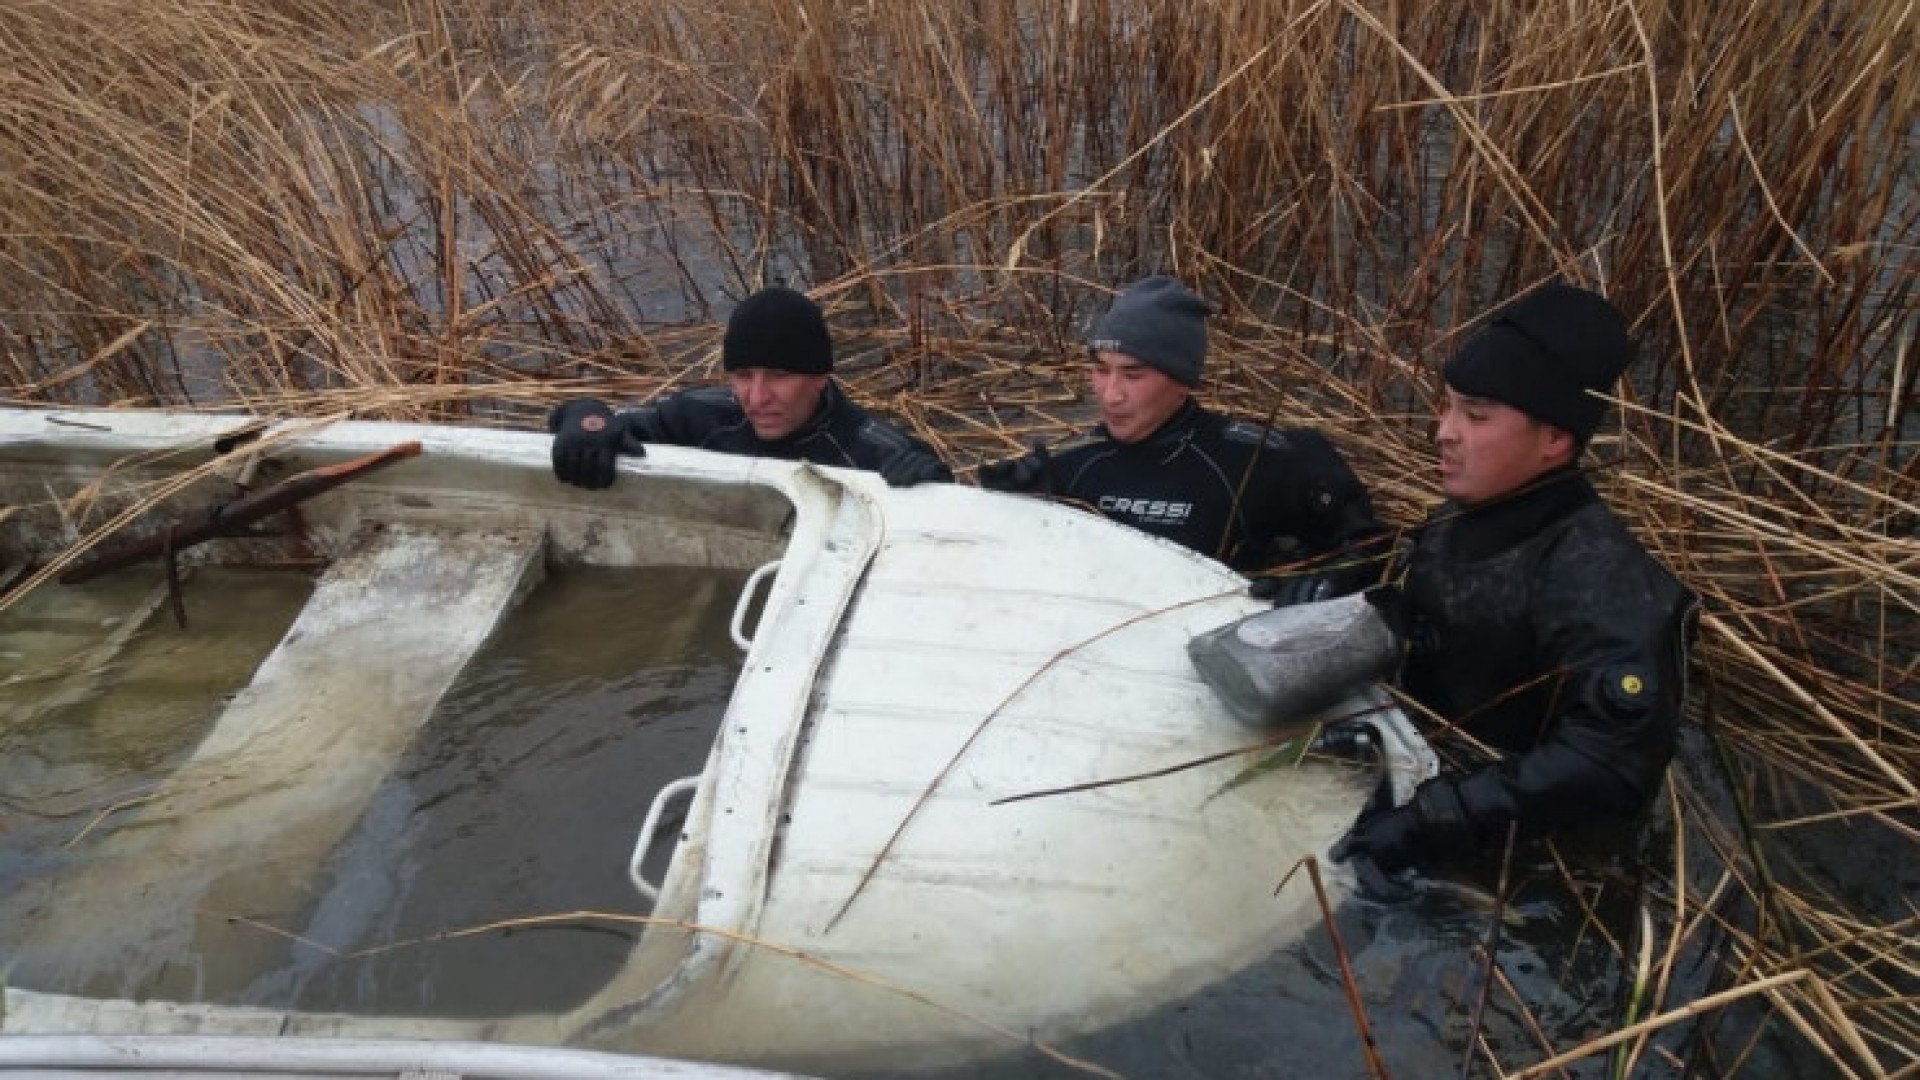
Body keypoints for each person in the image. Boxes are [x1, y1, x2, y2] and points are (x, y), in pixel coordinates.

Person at [1331, 283, 1698, 880]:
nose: (1443, 431)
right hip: (1422, 763)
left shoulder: (1604, 577)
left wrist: (1443, 818)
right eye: (1446, 406)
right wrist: (1353, 602)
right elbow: (1437, 622)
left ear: (1555, 439)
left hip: (1524, 859)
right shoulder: (1457, 519)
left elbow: (1612, 764)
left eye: (1475, 416)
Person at [977, 275, 1388, 600]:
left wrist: (1328, 584)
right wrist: (1013, 505)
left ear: (1183, 381)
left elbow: (1373, 548)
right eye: (1101, 370)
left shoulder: (1260, 460)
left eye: (1133, 374)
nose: (1110, 394)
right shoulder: (1073, 465)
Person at [549, 286, 951, 488]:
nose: (756, 399)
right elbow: (604, 418)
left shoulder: (875, 450)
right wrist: (584, 419)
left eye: (779, 376)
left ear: (819, 377)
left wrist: (930, 487)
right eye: (743, 375)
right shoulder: (702, 415)